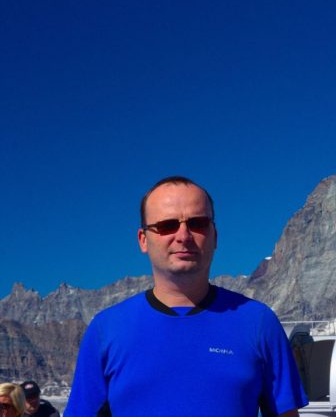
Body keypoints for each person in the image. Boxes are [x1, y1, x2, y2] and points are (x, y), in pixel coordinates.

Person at [65, 176, 308, 416]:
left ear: (214, 236)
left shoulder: (258, 322)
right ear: (143, 240)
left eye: (198, 223)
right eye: (167, 226)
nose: (183, 236)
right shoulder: (106, 330)